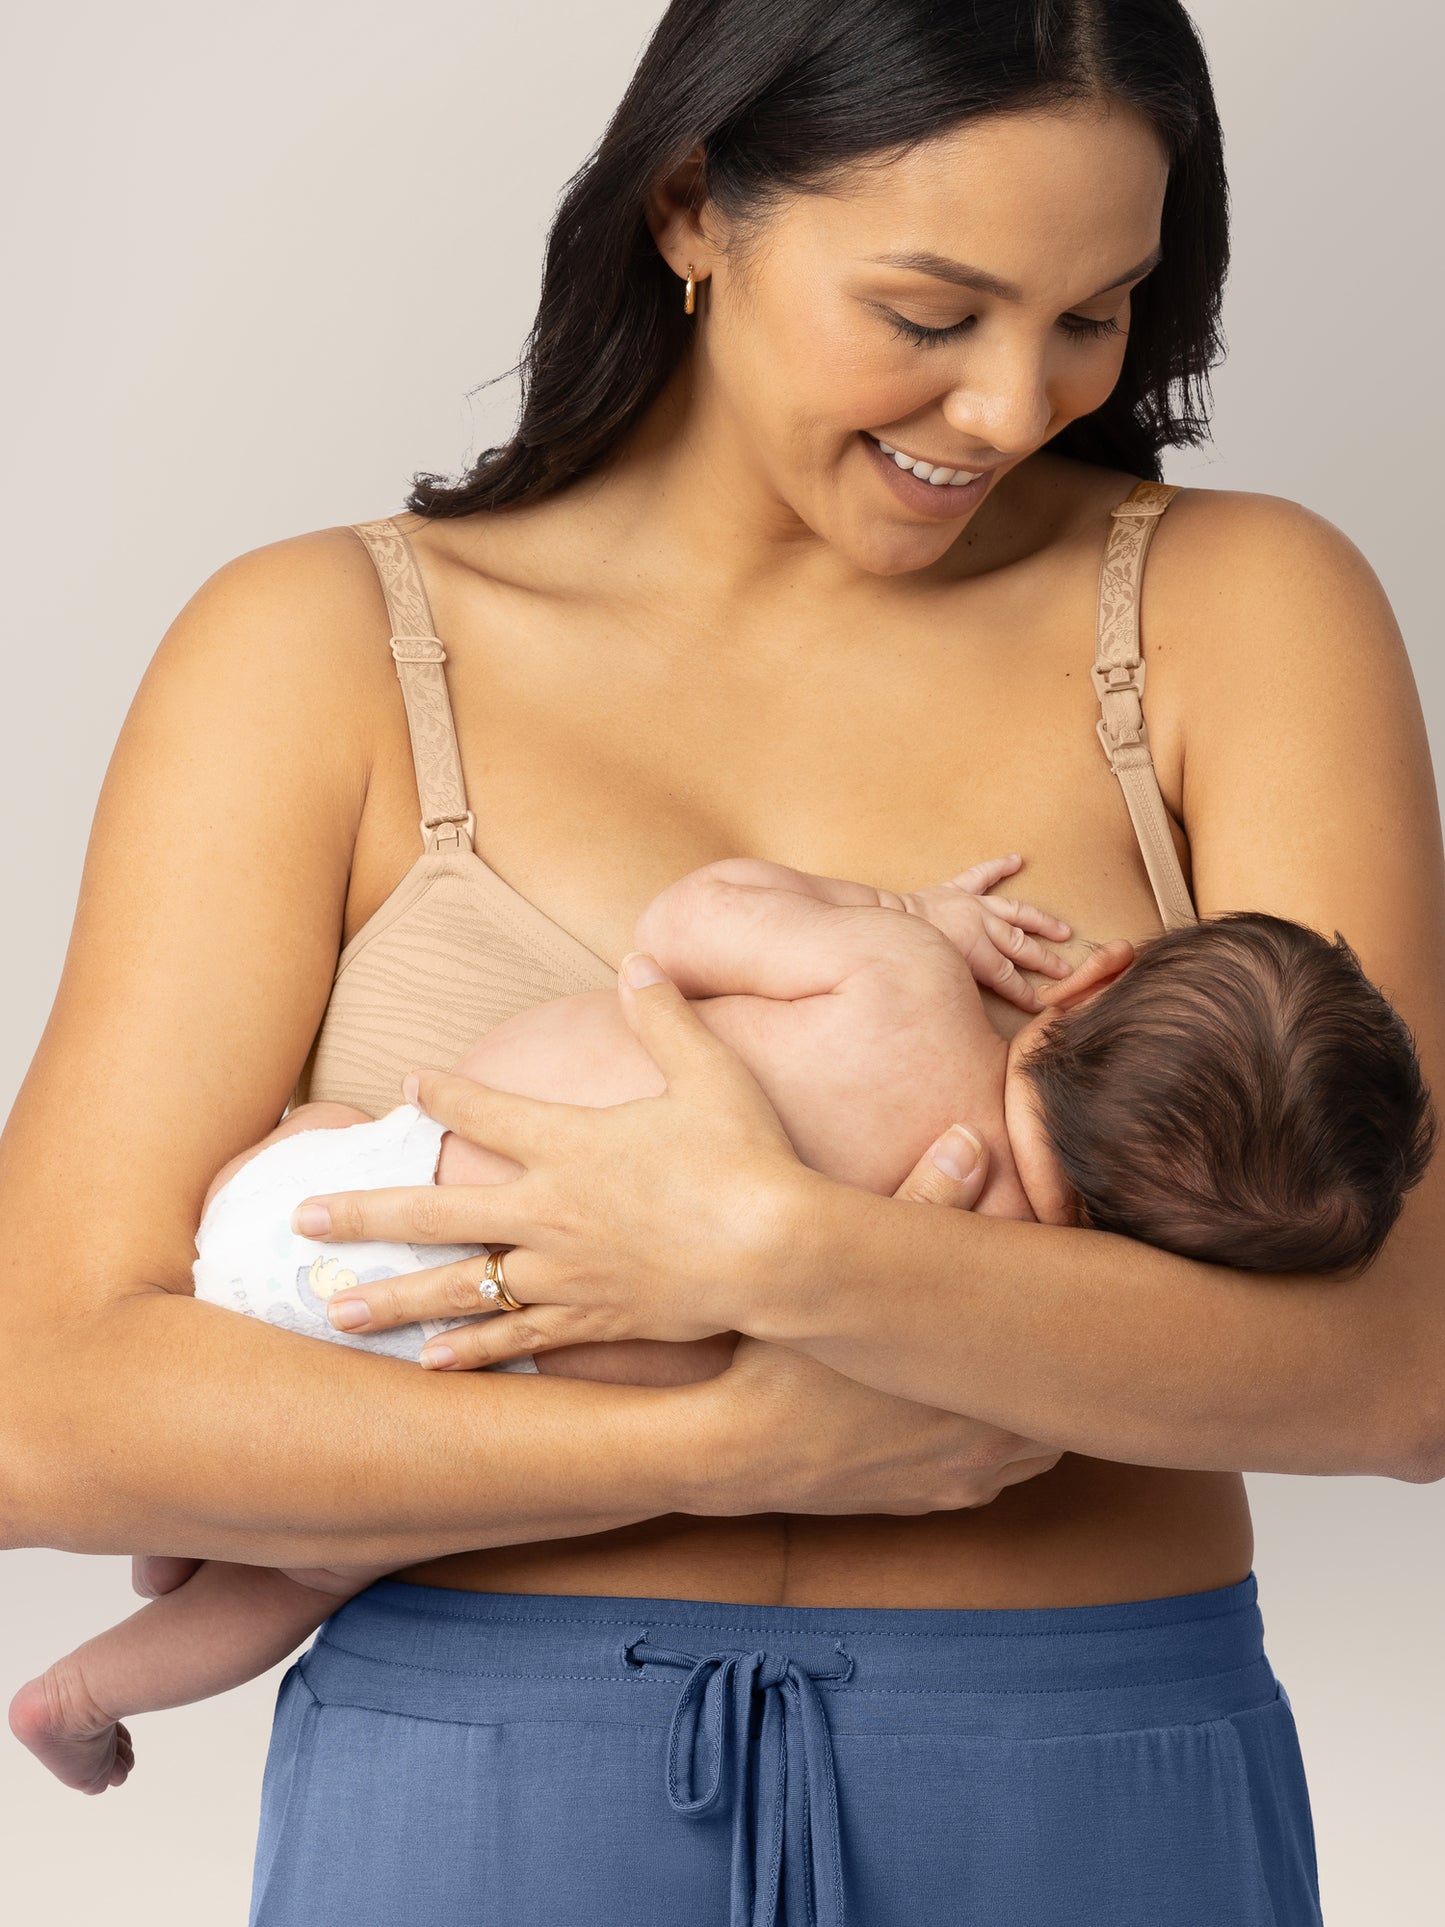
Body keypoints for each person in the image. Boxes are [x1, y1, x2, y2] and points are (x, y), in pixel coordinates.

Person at [2, 2, 1440, 1922]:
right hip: (481, 1780)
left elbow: (1399, 1366)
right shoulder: (322, 647)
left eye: (1093, 316)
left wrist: (789, 1260)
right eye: (933, 315)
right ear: (693, 207)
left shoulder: (1233, 609)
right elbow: (45, 1414)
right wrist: (746, 1436)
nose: (1016, 406)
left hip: (1075, 1763)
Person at [9, 839, 1435, 1800]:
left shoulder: (899, 983)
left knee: (313, 1165)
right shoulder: (995, 1283)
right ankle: (83, 1690)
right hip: (461, 1371)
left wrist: (894, 915)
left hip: (341, 1190)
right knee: (317, 1572)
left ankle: (189, 1494)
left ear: (1093, 978)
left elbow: (683, 924)